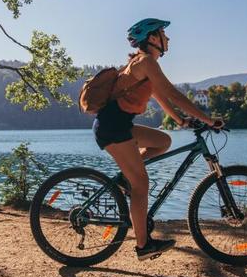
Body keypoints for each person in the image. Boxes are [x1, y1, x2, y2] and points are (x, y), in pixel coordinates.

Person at [93, 18, 223, 260]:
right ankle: (143, 246)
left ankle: (125, 179)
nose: (168, 38)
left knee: (163, 142)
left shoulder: (142, 64)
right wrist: (207, 119)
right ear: (152, 38)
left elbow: (162, 98)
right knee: (141, 185)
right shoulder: (146, 62)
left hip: (119, 125)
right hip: (113, 128)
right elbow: (173, 94)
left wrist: (182, 121)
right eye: (164, 33)